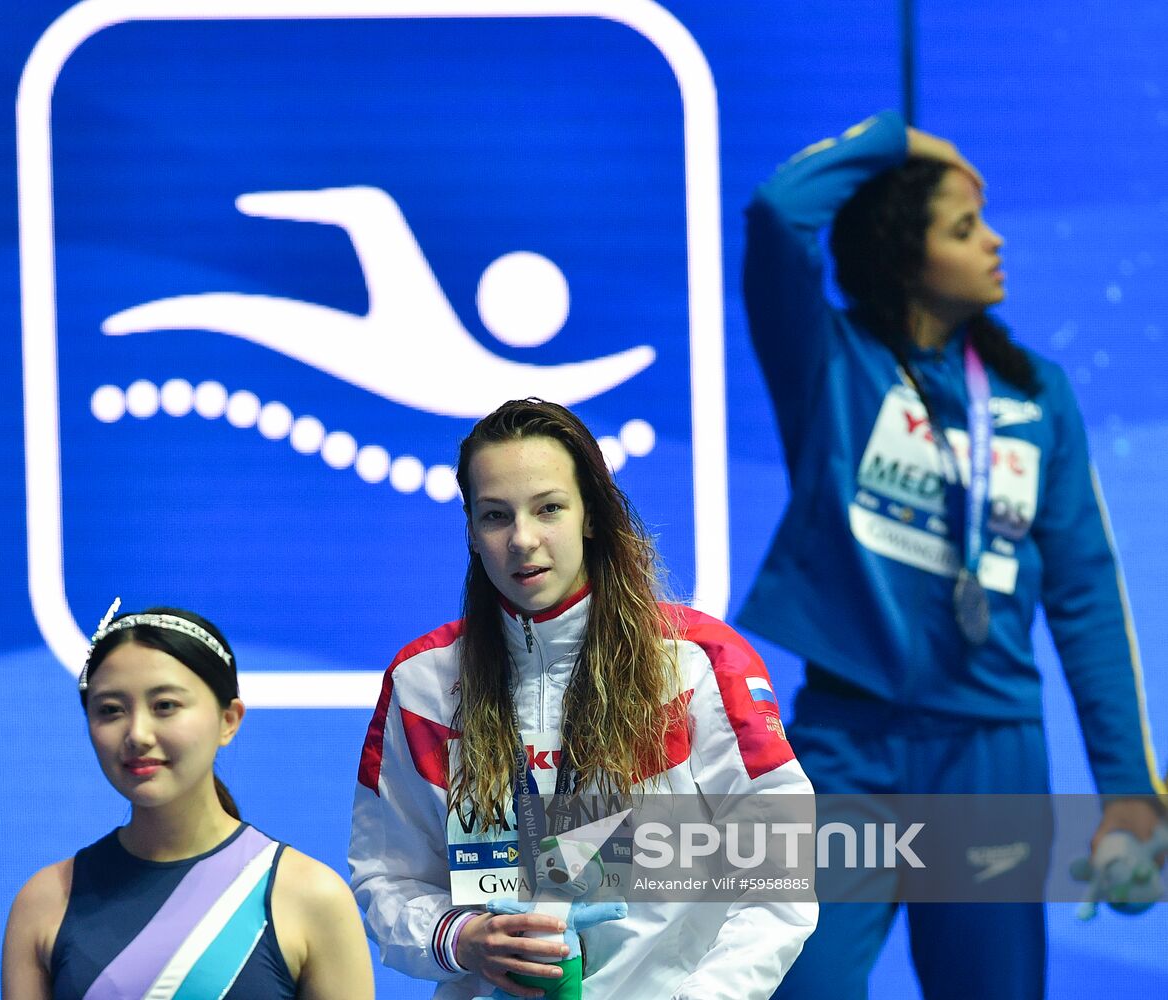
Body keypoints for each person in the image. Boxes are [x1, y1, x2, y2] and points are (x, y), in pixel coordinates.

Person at [739, 111, 1165, 999]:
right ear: (905, 255)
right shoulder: (831, 364)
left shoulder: (1035, 393)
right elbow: (779, 213)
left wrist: (1126, 783)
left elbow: (1085, 592)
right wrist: (900, 144)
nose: (996, 241)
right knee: (800, 988)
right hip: (848, 750)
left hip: (990, 757)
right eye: (966, 227)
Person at [349, 398, 817, 1000]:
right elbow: (388, 876)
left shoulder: (696, 663)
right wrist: (459, 936)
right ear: (470, 529)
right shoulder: (423, 685)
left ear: (590, 514)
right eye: (495, 515)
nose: (522, 539)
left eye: (548, 509)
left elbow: (780, 875)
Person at [2, 603, 375, 1000]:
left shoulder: (310, 896)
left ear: (229, 720)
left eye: (165, 706)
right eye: (111, 710)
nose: (138, 734)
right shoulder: (44, 902)